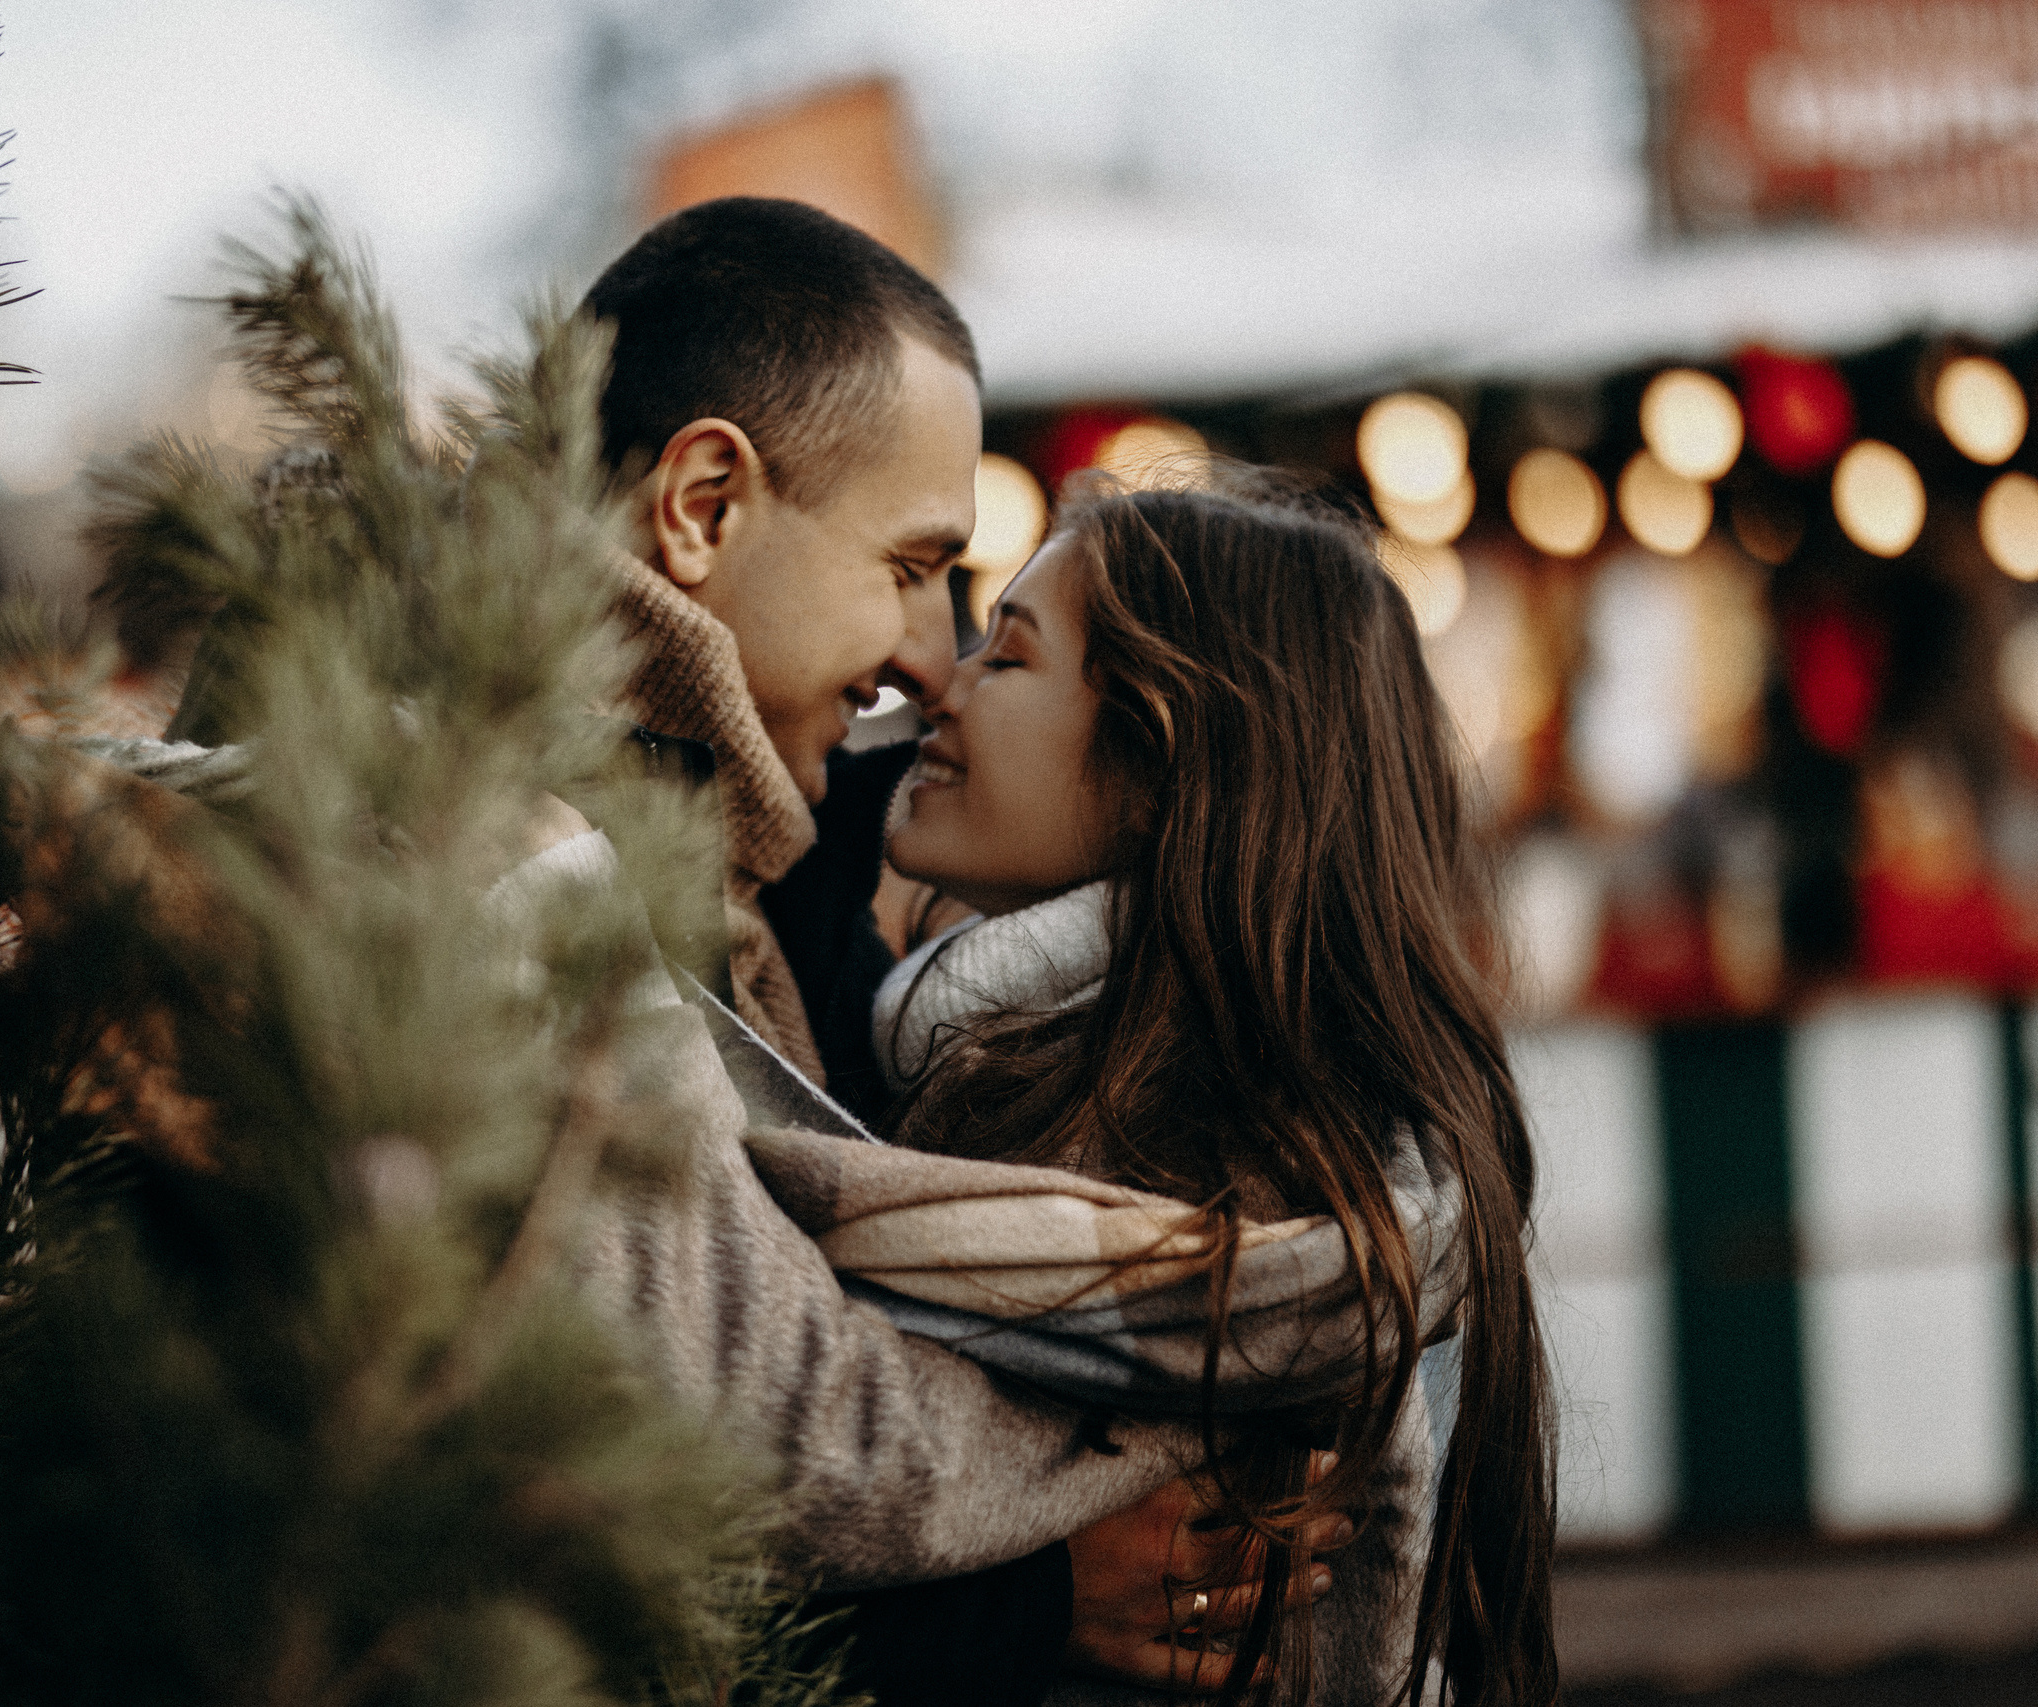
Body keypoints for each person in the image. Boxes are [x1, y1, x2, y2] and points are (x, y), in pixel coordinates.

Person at [566, 199, 1404, 1701]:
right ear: (701, 505)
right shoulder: (494, 861)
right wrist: (1019, 1595)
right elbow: (598, 1459)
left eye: (992, 629)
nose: (929, 659)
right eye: (910, 563)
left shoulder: (749, 863)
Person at [840, 479, 1558, 1705]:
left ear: (1159, 755)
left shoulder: (1150, 1157)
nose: (940, 684)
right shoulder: (1327, 1153)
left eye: (1006, 658)